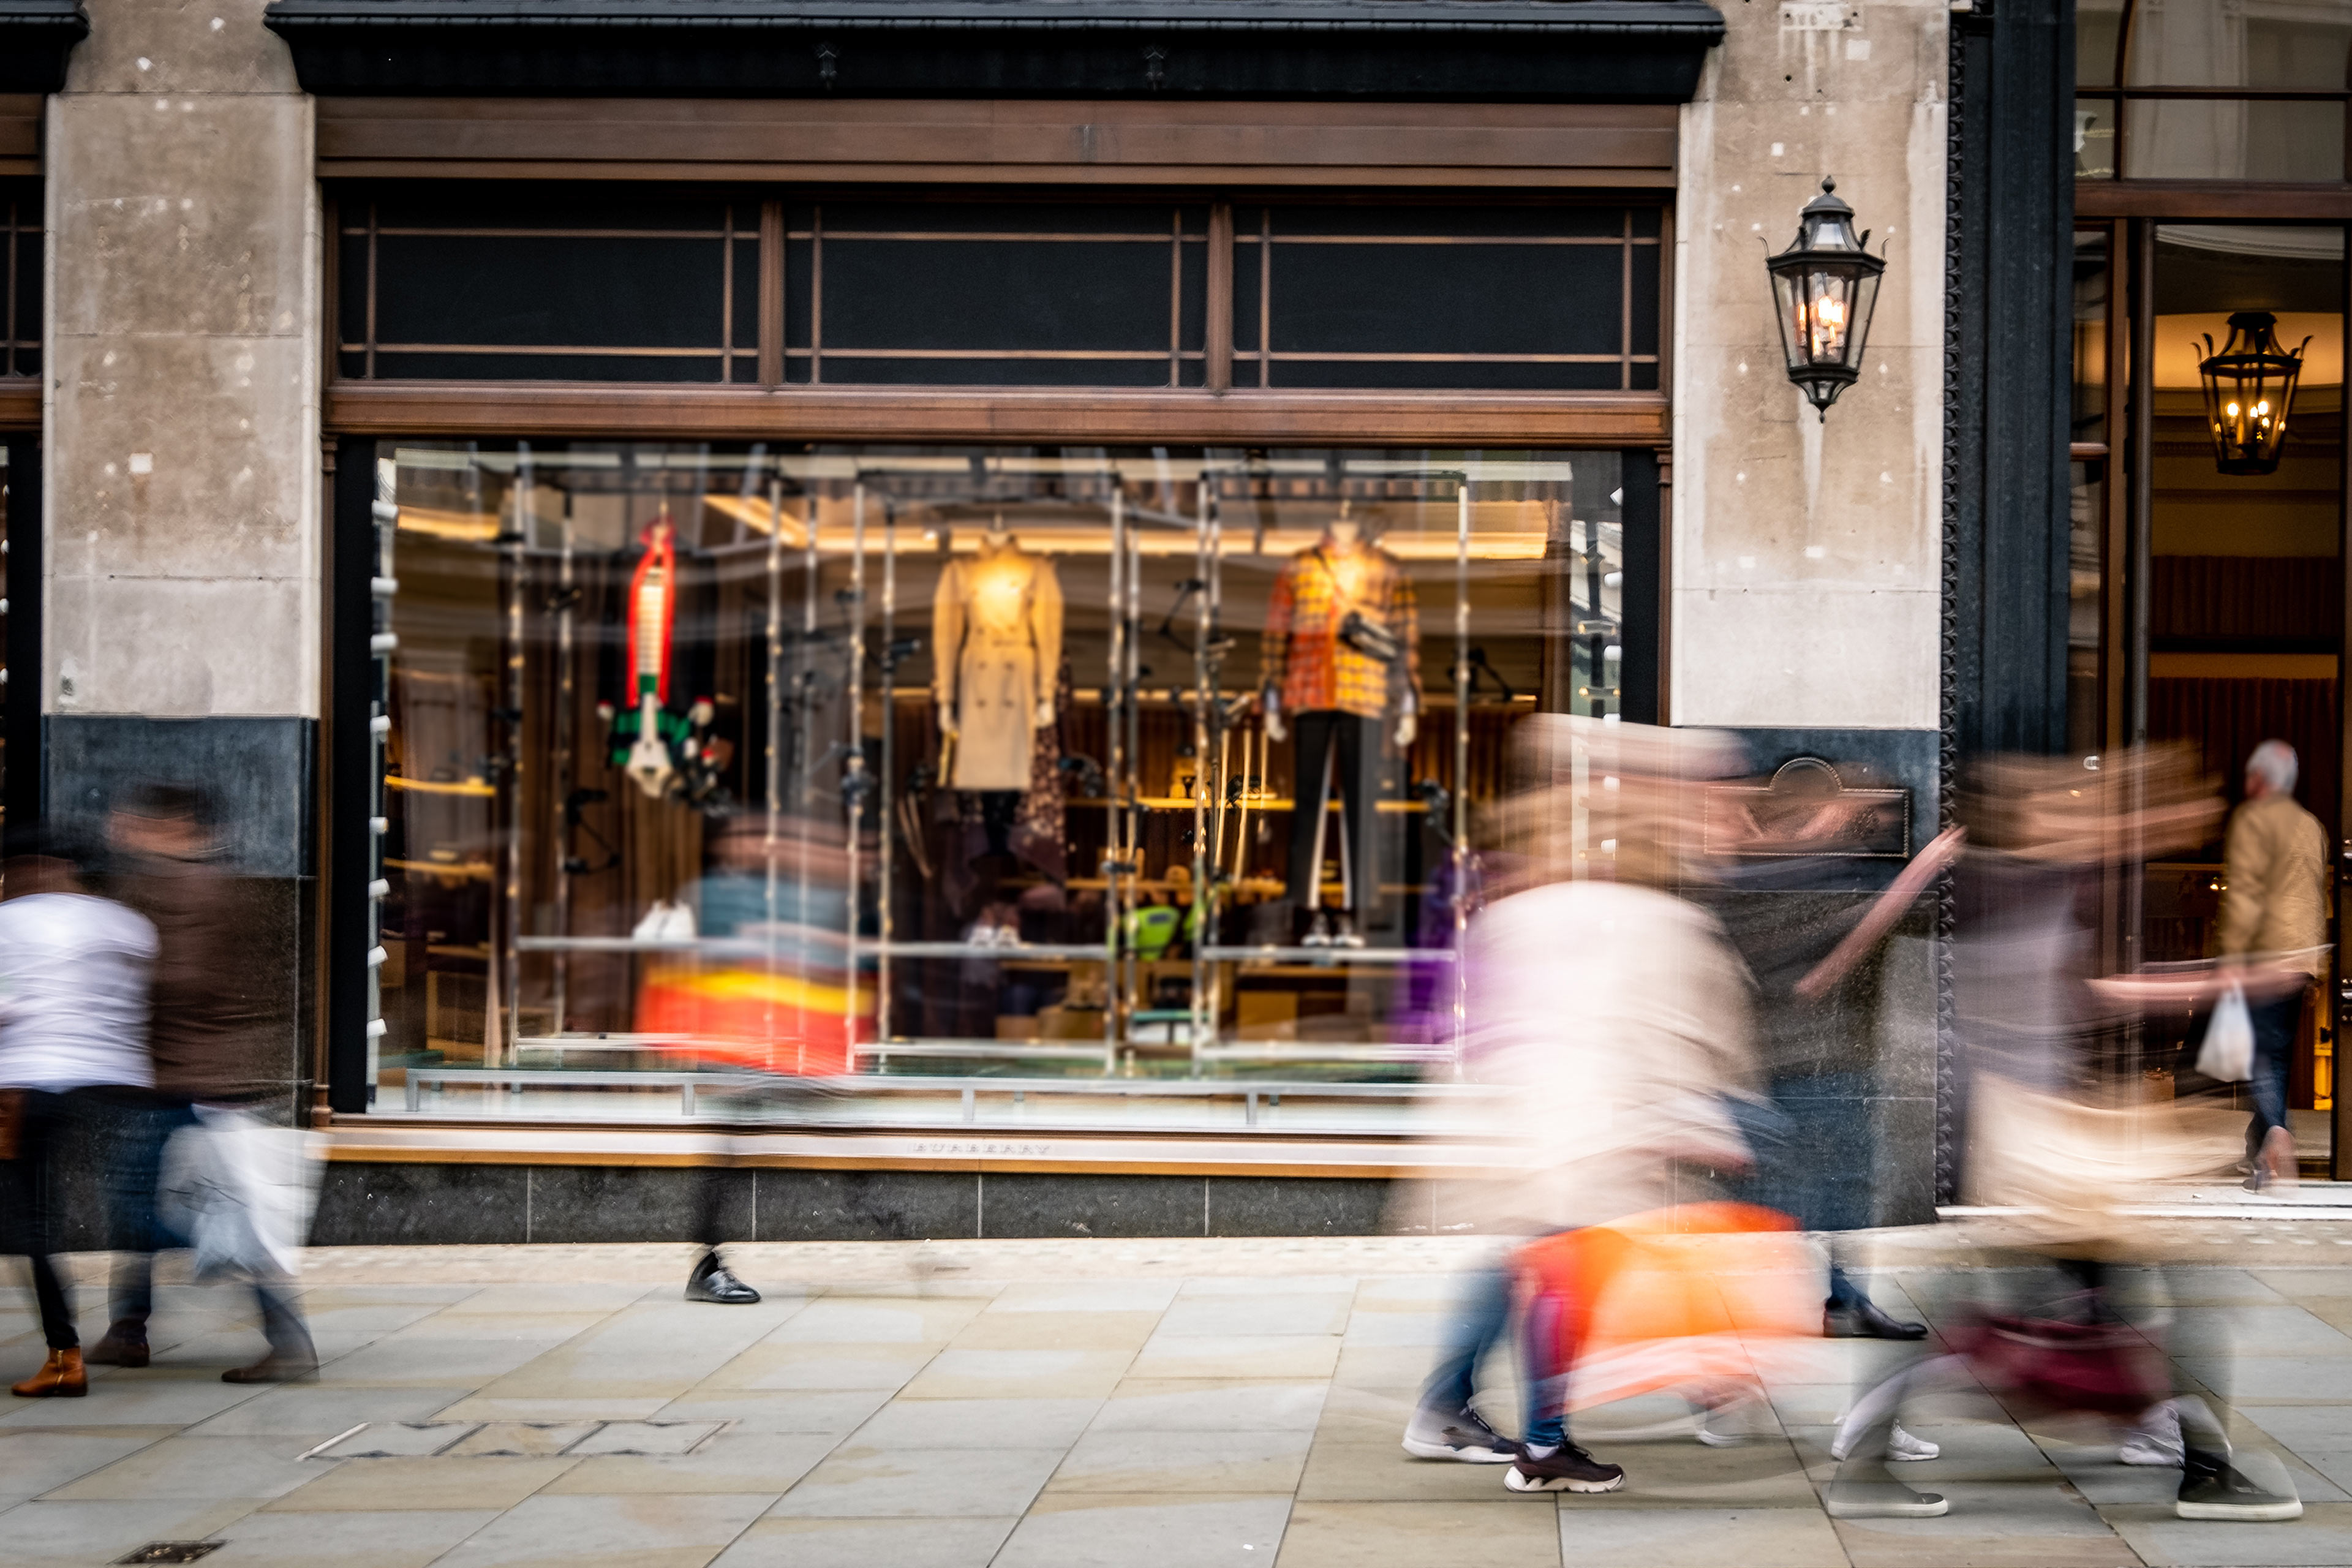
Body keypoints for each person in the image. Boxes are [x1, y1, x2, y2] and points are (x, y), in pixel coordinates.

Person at [1401, 717, 1761, 1494]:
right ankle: (1543, 1442)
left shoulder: (1516, 909)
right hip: (1587, 1128)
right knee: (1570, 1273)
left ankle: (1452, 1408)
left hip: (1526, 1124)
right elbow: (1679, 1037)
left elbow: (1477, 1024)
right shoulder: (1658, 919)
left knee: (1527, 1264)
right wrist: (1699, 1122)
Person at [91, 783, 317, 1382]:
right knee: (216, 1204)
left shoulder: (170, 888)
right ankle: (129, 1327)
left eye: (142, 823)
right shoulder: (244, 887)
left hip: (183, 1075)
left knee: (155, 1203)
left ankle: (138, 1328)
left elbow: (179, 981)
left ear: (179, 828)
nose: (128, 831)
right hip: (219, 1072)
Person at [0, 823, 160, 1398]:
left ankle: (64, 1354)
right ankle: (130, 1325)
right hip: (122, 1084)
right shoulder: (129, 924)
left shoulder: (8, 924)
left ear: (30, 867)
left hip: (32, 1085)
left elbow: (5, 1007)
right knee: (134, 1207)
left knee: (33, 1219)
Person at [2217, 739, 2327, 1191]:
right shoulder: (2312, 827)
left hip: (2262, 957)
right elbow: (2316, 896)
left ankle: (2277, 1137)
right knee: (2274, 1056)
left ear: (2262, 779)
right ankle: (2258, 1149)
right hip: (2301, 957)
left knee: (2259, 1056)